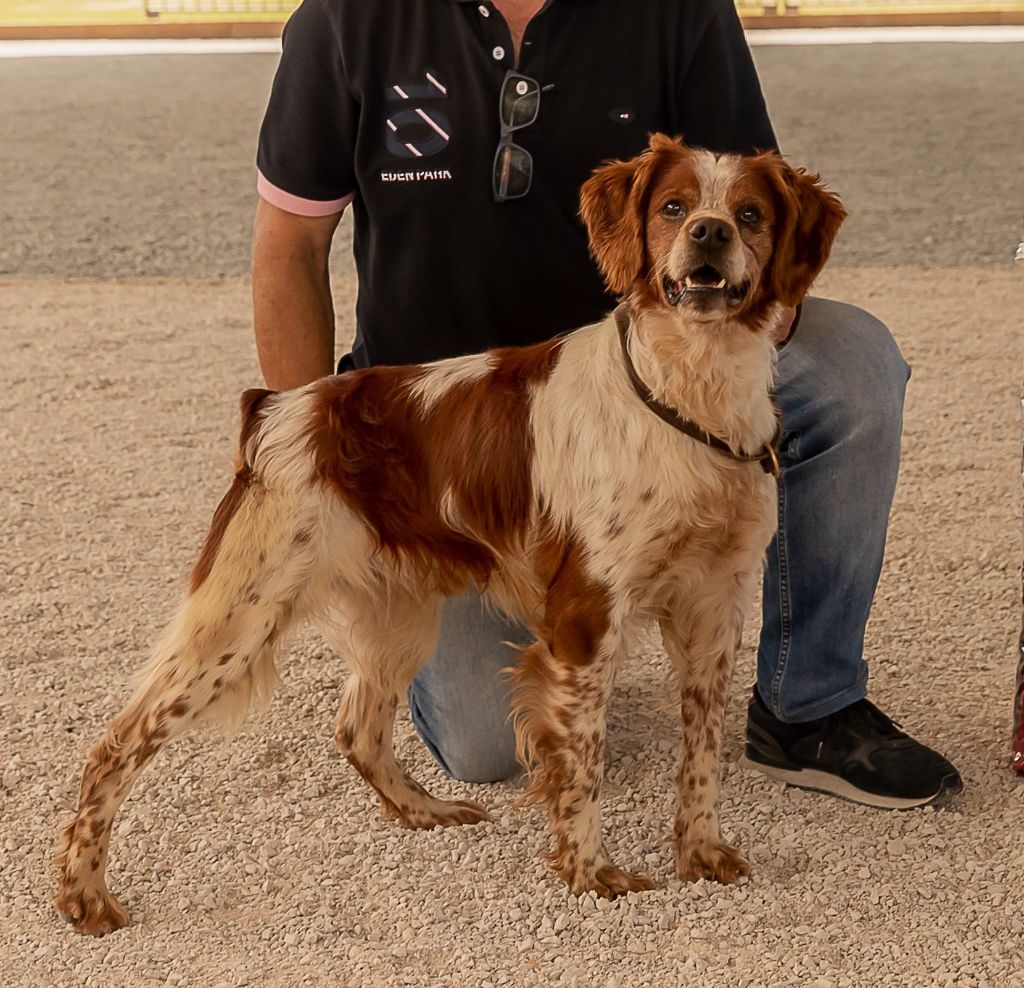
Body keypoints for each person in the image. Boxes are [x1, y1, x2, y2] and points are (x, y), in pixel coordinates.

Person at [251, 0, 962, 809]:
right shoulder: (344, 19)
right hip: (456, 437)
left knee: (853, 365)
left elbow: (755, 220)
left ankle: (811, 706)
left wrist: (718, 361)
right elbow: (289, 249)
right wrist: (302, 456)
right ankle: (578, 601)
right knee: (489, 747)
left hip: (640, 367)